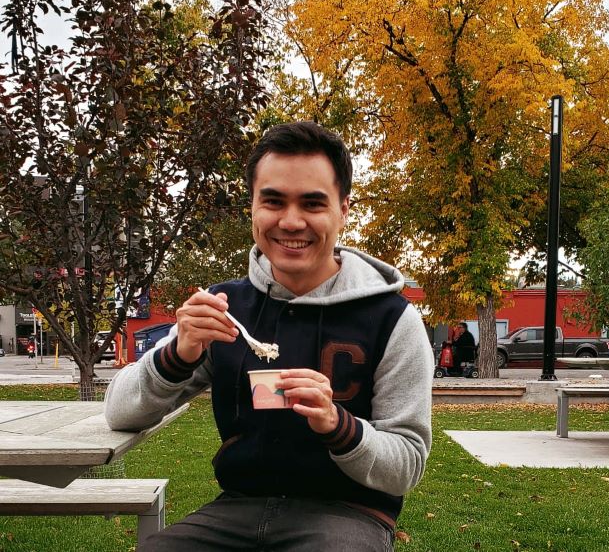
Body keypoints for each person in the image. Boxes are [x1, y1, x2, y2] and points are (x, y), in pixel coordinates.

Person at [105, 121, 433, 551]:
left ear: (343, 210)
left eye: (313, 204)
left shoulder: (392, 318)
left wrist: (339, 426)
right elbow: (118, 412)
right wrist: (179, 354)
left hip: (349, 513)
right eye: (273, 201)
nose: (291, 221)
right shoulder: (224, 309)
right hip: (238, 506)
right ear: (253, 208)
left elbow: (406, 465)